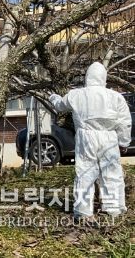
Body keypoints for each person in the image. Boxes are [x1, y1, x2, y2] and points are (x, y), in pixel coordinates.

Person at [50, 62, 131, 218]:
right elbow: (125, 122)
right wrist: (123, 142)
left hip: (86, 137)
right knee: (112, 172)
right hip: (109, 137)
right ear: (104, 78)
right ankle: (114, 208)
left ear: (87, 77)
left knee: (85, 172)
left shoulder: (77, 94)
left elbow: (60, 106)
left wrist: (54, 97)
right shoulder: (116, 97)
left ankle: (83, 211)